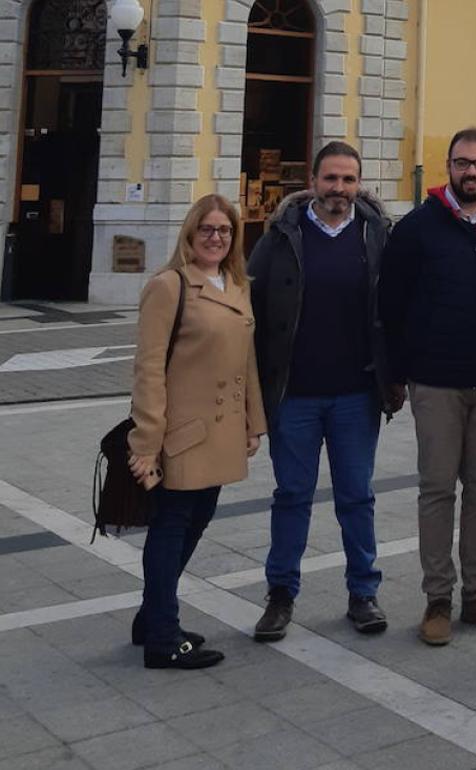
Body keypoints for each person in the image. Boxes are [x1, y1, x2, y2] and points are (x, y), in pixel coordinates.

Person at [379, 127, 476, 645]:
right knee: (438, 490)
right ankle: (438, 599)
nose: (473, 172)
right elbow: (391, 305)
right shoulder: (418, 228)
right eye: (464, 163)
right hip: (436, 382)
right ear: (449, 166)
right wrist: (397, 375)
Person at [248, 141, 397, 642]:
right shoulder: (280, 235)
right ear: (312, 181)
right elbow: (253, 310)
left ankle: (363, 592)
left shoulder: (377, 234)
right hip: (296, 396)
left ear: (359, 184)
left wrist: (394, 376)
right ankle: (280, 595)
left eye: (348, 180)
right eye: (330, 179)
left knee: (357, 496)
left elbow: (397, 309)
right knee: (291, 495)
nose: (339, 190)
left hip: (357, 395)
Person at [129, 194, 265, 669]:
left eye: (224, 231)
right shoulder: (169, 286)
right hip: (181, 433)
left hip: (222, 432)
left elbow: (246, 359)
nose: (215, 238)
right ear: (189, 234)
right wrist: (145, 443)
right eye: (206, 229)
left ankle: (152, 616)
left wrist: (255, 421)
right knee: (171, 526)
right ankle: (163, 638)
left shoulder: (236, 283)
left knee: (197, 519)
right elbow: (148, 368)